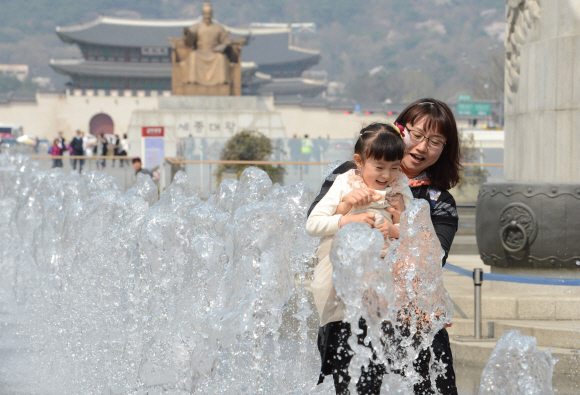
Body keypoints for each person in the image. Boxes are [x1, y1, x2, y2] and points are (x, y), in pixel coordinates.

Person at [310, 98, 461, 395]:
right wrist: (349, 206)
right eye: (416, 135)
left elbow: (434, 257)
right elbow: (316, 220)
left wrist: (397, 224)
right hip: (351, 311)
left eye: (435, 141)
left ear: (445, 149)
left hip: (410, 316)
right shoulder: (349, 175)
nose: (421, 147)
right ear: (400, 130)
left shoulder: (440, 202)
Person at [306, 123, 413, 328]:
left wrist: (395, 228)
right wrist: (345, 217)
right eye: (379, 167)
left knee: (377, 327)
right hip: (341, 271)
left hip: (383, 269)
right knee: (340, 324)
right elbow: (313, 224)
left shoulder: (400, 186)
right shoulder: (346, 183)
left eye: (394, 167)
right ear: (359, 161)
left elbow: (415, 230)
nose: (386, 175)